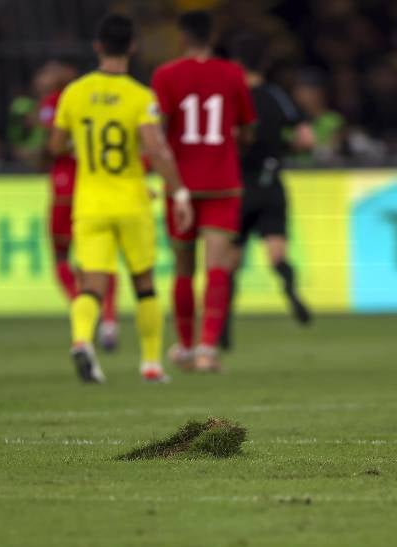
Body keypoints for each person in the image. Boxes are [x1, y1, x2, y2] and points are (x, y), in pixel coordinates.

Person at [49, 13, 193, 383]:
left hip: (90, 203)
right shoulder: (139, 96)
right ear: (132, 46)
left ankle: (82, 340)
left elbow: (55, 145)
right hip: (130, 200)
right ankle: (150, 364)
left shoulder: (74, 93)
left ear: (98, 47)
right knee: (144, 284)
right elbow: (156, 150)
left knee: (91, 286)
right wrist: (178, 192)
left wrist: (80, 143)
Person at [151, 10, 256, 373]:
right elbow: (247, 130)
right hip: (223, 184)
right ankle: (207, 350)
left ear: (181, 37)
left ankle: (183, 345)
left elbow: (157, 133)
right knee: (217, 268)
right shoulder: (232, 73)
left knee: (183, 267)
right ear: (212, 36)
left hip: (180, 186)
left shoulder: (165, 75)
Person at [222, 37, 316, 347]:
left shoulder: (231, 97)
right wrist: (281, 147)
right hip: (272, 180)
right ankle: (289, 290)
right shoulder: (278, 96)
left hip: (239, 187)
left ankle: (223, 330)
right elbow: (306, 139)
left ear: (236, 65)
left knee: (231, 262)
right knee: (277, 252)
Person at [37, 59, 121, 351]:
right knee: (101, 260)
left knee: (61, 256)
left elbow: (52, 144)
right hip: (95, 185)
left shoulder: (56, 101)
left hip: (65, 186)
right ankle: (109, 320)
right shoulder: (98, 100)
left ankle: (83, 308)